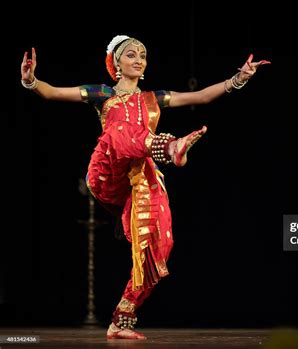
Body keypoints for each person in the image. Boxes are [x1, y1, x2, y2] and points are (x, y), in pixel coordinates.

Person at [20, 35, 270, 340]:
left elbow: (201, 96)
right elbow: (53, 93)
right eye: (131, 55)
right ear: (116, 62)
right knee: (119, 130)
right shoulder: (102, 94)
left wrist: (238, 79)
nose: (139, 60)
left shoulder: (155, 97)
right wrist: (32, 81)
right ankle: (169, 147)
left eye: (143, 55)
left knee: (159, 246)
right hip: (108, 170)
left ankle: (122, 318)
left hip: (140, 175)